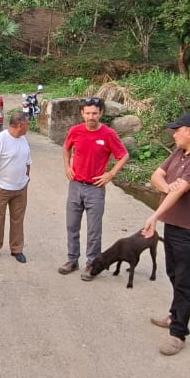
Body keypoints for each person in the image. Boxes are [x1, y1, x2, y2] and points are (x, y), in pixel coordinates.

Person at [141, 111, 190, 356]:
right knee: (174, 274)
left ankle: (178, 334)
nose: (174, 134)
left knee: (185, 282)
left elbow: (181, 190)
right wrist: (168, 188)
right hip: (175, 226)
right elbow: (156, 175)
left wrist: (154, 216)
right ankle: (174, 315)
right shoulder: (180, 152)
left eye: (177, 130)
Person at [59, 97, 129, 280]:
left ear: (101, 114)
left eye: (95, 113)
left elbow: (123, 155)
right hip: (75, 186)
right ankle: (72, 260)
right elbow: (66, 148)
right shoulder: (76, 131)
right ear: (82, 113)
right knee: (72, 226)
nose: (91, 117)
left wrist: (110, 174)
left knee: (93, 231)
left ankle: (92, 265)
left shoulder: (108, 134)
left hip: (95, 189)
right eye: (88, 113)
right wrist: (67, 166)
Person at [0, 110, 32, 263]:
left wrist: (26, 178)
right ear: (20, 125)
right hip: (2, 188)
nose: (29, 127)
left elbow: (27, 161)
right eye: (28, 124)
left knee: (18, 219)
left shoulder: (23, 140)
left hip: (20, 188)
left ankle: (17, 249)